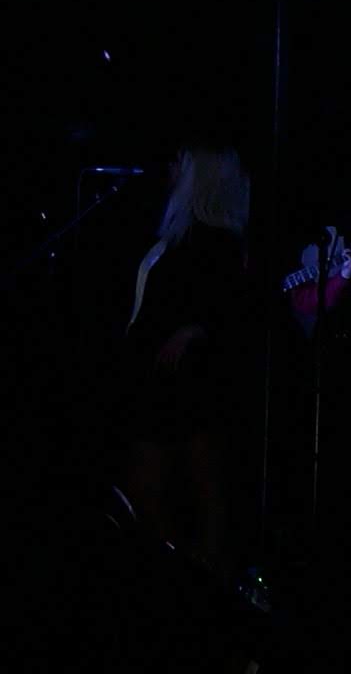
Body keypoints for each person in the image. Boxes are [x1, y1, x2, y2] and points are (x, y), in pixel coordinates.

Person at [113, 143, 252, 574]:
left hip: (185, 378)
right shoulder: (175, 236)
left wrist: (194, 329)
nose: (172, 168)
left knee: (194, 477)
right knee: (150, 481)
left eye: (182, 163)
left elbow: (230, 307)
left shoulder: (216, 241)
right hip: (152, 373)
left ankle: (201, 568)